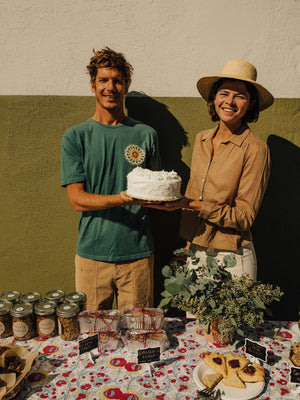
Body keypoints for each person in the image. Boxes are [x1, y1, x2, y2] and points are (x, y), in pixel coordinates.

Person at [146, 59, 273, 280]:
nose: (230, 102)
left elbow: (243, 217)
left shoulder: (256, 149)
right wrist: (187, 249)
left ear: (251, 103)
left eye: (240, 96)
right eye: (224, 93)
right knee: (192, 316)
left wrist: (189, 204)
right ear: (214, 97)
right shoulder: (202, 140)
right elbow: (197, 193)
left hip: (232, 259)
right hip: (195, 253)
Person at [61, 47, 161, 312]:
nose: (111, 87)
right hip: (92, 256)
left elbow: (157, 193)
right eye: (103, 80)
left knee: (139, 337)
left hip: (138, 256)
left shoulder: (145, 134)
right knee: (93, 338)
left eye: (117, 80)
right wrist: (121, 198)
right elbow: (76, 199)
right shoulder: (75, 137)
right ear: (92, 86)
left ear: (126, 86)